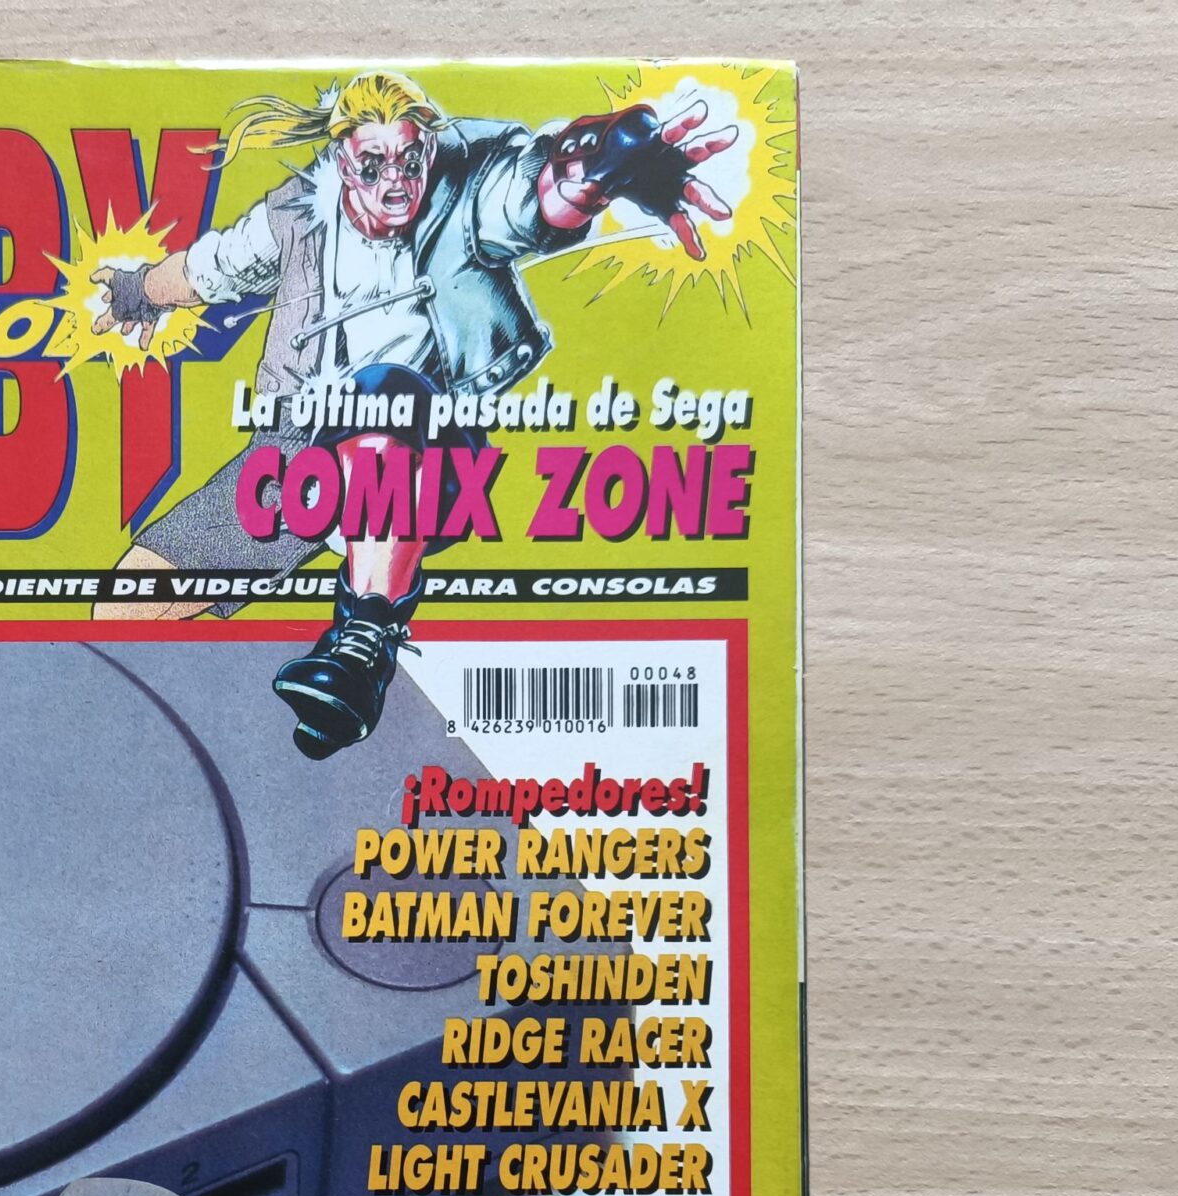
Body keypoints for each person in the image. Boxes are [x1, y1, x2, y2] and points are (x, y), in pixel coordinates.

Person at [92, 72, 734, 759]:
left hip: (426, 454)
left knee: (384, 392)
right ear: (341, 160)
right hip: (298, 452)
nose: (396, 182)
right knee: (123, 609)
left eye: (410, 158)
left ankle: (362, 646)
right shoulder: (298, 212)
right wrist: (137, 291)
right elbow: (210, 269)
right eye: (373, 165)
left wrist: (601, 163)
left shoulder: (464, 185)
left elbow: (532, 199)